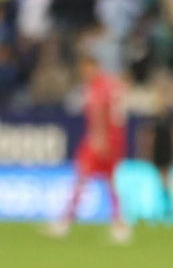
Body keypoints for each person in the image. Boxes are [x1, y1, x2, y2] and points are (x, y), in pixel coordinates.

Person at [49, 52, 131, 243]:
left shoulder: (98, 88)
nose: (85, 73)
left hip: (101, 139)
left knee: (83, 178)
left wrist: (100, 139)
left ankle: (65, 222)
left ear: (95, 67)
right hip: (115, 139)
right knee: (110, 181)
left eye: (87, 69)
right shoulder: (110, 84)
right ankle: (120, 224)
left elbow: (99, 114)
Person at [135, 74, 173, 226]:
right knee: (165, 183)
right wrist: (145, 153)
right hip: (159, 152)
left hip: (170, 153)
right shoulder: (155, 117)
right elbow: (147, 135)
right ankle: (168, 210)